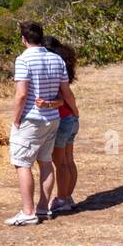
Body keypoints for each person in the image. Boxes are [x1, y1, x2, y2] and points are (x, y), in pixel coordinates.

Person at [6, 21, 68, 226]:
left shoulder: (23, 60)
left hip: (31, 119)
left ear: (23, 39)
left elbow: (22, 94)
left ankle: (28, 211)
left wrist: (16, 119)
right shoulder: (57, 59)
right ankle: (43, 207)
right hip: (52, 118)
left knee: (22, 163)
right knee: (46, 161)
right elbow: (63, 90)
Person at [37, 36, 80, 214]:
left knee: (60, 163)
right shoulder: (63, 67)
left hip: (61, 120)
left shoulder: (51, 69)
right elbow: (68, 95)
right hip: (70, 119)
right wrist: (75, 110)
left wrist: (48, 104)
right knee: (69, 161)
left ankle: (62, 199)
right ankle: (67, 196)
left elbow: (63, 97)